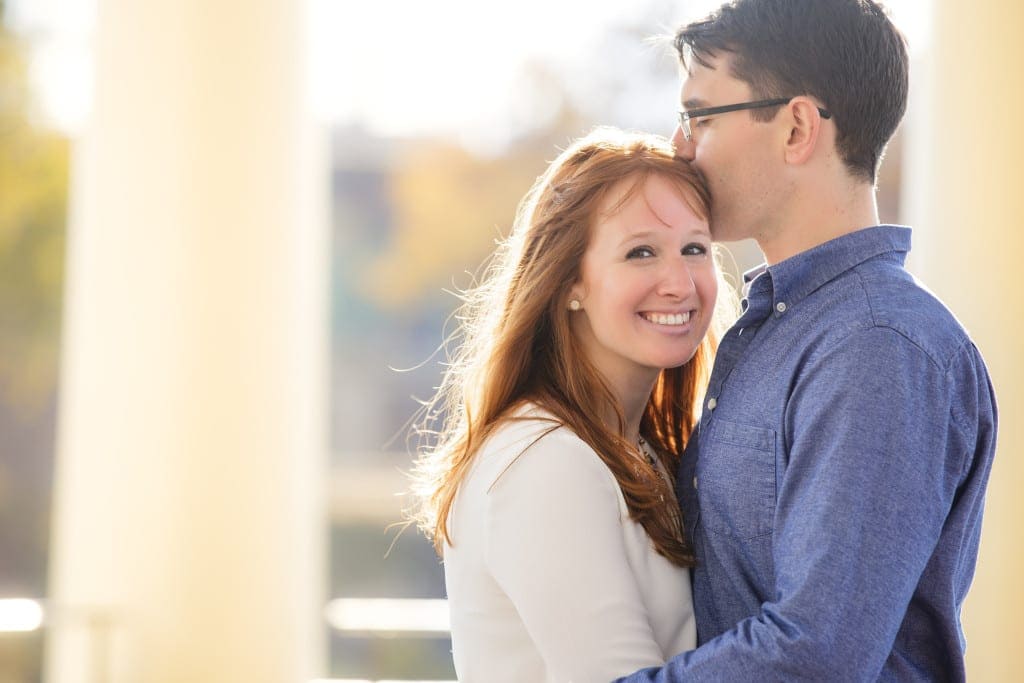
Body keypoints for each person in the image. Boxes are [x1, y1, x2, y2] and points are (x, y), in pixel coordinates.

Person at [617, 1, 998, 681]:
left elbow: (818, 652)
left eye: (701, 117)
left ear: (796, 127)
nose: (681, 146)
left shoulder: (878, 344)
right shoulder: (783, 326)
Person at [411, 127, 730, 682]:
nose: (680, 282)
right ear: (569, 284)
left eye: (695, 248)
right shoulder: (545, 460)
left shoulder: (635, 450)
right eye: (641, 252)